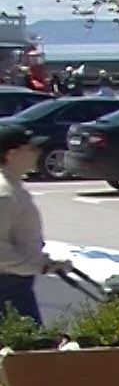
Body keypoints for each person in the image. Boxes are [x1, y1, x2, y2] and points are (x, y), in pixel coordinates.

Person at [0, 125, 66, 324]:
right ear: (11, 154)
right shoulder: (4, 194)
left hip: (16, 283)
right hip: (8, 287)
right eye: (31, 148)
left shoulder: (13, 188)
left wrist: (45, 262)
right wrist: (40, 266)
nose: (38, 153)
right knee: (25, 342)